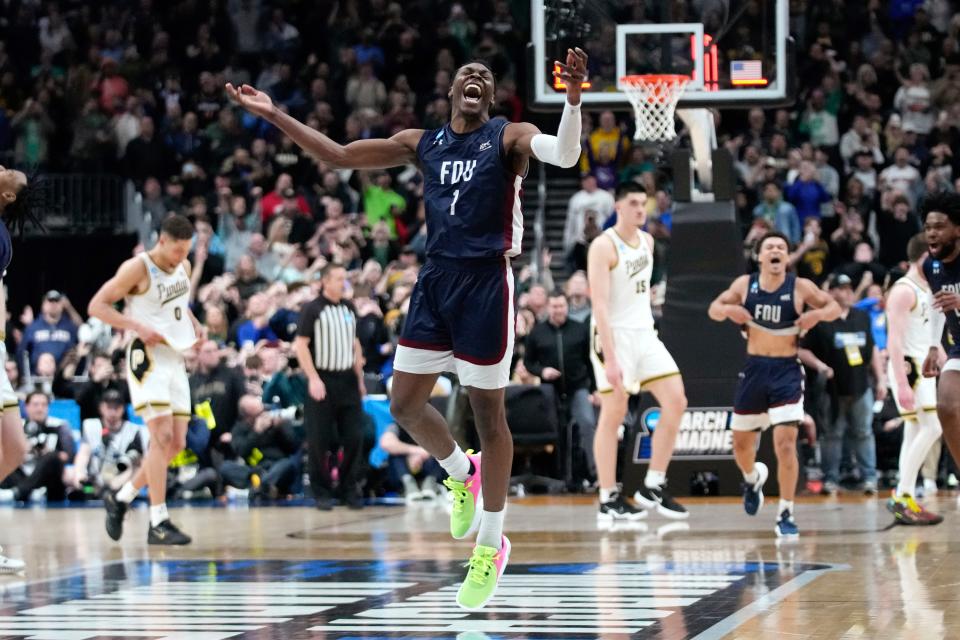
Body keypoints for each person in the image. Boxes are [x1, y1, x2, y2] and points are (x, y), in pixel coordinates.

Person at [228, 46, 588, 609]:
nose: (476, 77)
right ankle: (459, 470)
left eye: (485, 77)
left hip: (487, 282)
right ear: (450, 92)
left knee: (488, 416)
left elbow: (565, 155)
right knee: (403, 405)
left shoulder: (508, 136)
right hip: (436, 281)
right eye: (467, 73)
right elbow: (341, 155)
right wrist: (275, 115)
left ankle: (491, 546)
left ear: (490, 97)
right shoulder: (422, 142)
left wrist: (571, 99)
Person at [709, 231, 840, 539]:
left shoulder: (800, 286)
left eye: (781, 247)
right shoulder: (745, 286)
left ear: (787, 257)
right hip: (755, 369)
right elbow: (713, 310)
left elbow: (834, 307)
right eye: (770, 247)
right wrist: (729, 310)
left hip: (786, 371)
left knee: (784, 444)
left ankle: (785, 512)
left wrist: (816, 316)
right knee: (740, 446)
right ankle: (752, 479)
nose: (776, 250)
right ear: (760, 256)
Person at [88, 214, 202, 546]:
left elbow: (180, 305)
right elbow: (97, 306)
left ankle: (121, 497)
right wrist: (136, 326)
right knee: (161, 437)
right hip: (146, 358)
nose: (181, 257)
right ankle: (158, 521)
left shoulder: (185, 265)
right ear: (162, 241)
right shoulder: (138, 268)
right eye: (177, 251)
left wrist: (194, 324)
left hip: (175, 357)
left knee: (176, 444)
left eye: (186, 251)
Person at [587, 182, 689, 522]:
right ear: (618, 207)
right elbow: (599, 304)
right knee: (614, 413)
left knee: (676, 400)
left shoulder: (648, 241)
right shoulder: (603, 246)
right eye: (633, 203)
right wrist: (612, 359)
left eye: (643, 203)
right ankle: (607, 496)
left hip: (644, 332)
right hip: (612, 335)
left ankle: (653, 484)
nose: (640, 209)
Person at [801, 273, 887, 496]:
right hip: (832, 389)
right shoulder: (820, 318)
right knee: (832, 434)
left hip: (861, 386)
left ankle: (869, 478)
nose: (847, 292)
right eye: (841, 288)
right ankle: (830, 479)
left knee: (864, 432)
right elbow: (801, 349)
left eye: (849, 288)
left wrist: (881, 379)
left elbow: (873, 350)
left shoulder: (861, 316)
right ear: (830, 292)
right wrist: (820, 366)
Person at [293, 264, 367, 511]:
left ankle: (348, 488)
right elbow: (300, 346)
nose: (342, 283)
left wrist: (360, 380)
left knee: (355, 437)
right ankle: (321, 491)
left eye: (344, 279)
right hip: (322, 379)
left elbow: (355, 344)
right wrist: (313, 379)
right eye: (337, 279)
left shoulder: (349, 308)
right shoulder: (312, 309)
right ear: (325, 281)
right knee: (319, 439)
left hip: (347, 380)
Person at [0, 163, 43, 573]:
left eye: (10, 172)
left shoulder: (3, 240)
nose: (3, 167)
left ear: (8, 196)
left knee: (14, 448)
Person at [885, 233, 943, 525]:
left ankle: (904, 497)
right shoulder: (903, 290)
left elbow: (930, 335)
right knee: (933, 427)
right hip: (908, 367)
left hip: (924, 366)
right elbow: (893, 341)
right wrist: (902, 382)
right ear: (922, 256)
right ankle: (900, 496)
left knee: (913, 433)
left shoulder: (927, 287)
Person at [920, 192, 960, 506]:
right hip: (958, 346)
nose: (932, 232)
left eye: (940, 226)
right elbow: (937, 305)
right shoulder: (931, 265)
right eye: (928, 227)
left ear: (956, 230)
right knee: (946, 406)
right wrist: (934, 344)